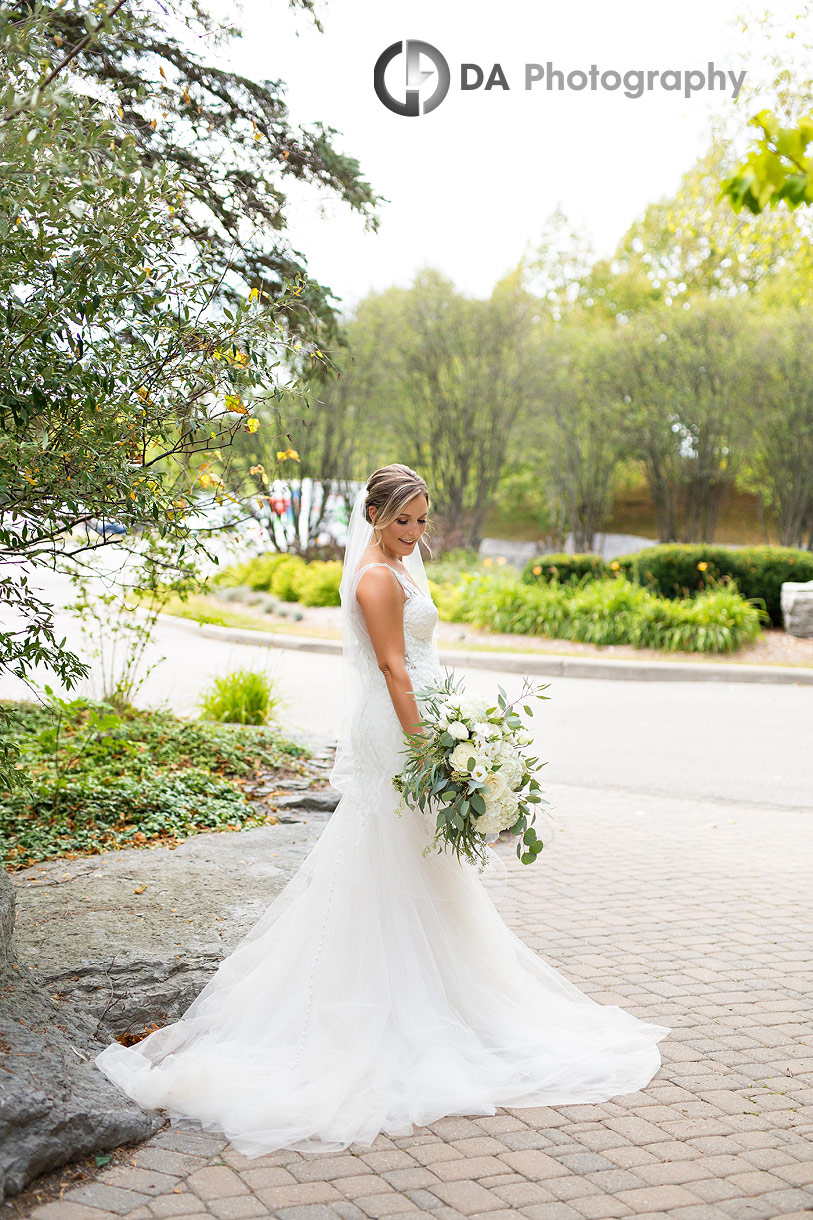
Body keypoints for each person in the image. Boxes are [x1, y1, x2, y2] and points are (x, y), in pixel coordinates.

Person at [94, 463, 670, 1156]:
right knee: (389, 855)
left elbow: (419, 662)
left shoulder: (398, 567)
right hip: (400, 730)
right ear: (373, 516)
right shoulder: (373, 576)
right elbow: (395, 668)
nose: (414, 533)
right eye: (403, 520)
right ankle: (384, 1006)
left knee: (417, 862)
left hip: (421, 718)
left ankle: (439, 998)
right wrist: (428, 746)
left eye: (423, 520)